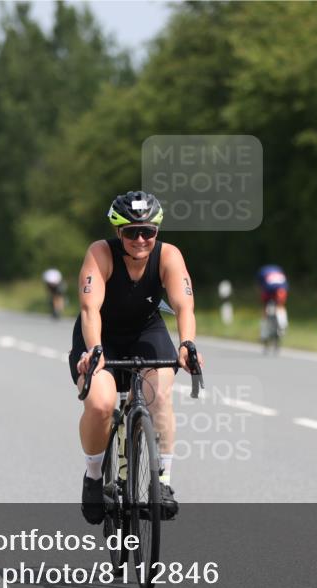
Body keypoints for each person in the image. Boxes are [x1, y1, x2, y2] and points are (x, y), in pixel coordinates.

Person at [69, 191, 203, 525]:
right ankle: (94, 476)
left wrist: (187, 344)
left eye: (148, 231)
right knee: (100, 404)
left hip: (147, 332)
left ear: (157, 231)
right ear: (118, 232)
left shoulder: (169, 256)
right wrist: (94, 350)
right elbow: (89, 309)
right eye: (131, 232)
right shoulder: (101, 253)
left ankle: (164, 482)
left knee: (159, 396)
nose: (140, 239)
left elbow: (184, 306)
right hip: (101, 335)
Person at [257, 264, 289, 337]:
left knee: (265, 307)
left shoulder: (262, 271)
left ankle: (263, 332)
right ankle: (282, 324)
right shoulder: (279, 270)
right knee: (280, 305)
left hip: (268, 288)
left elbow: (259, 285)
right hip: (281, 288)